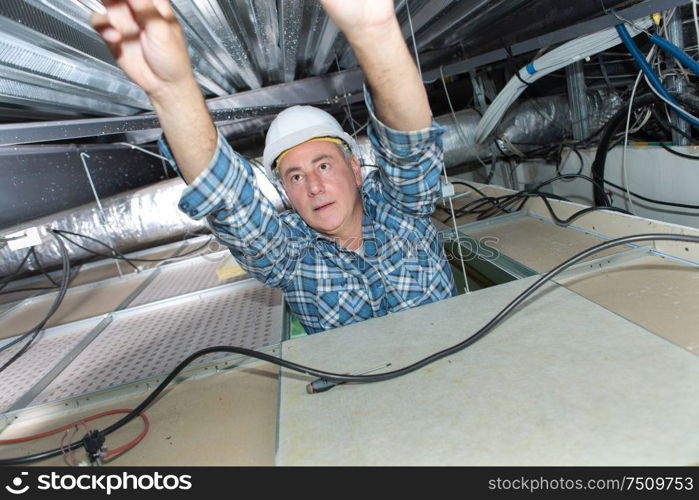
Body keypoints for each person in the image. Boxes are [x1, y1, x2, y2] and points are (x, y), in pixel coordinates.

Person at [92, 0, 456, 333]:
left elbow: (411, 148)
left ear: (355, 169)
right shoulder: (290, 255)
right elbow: (230, 202)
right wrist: (171, 92)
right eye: (295, 176)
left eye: (324, 166)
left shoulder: (401, 210)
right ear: (286, 192)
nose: (313, 186)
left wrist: (374, 33)